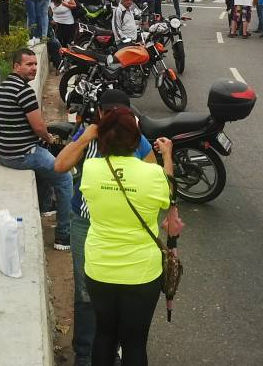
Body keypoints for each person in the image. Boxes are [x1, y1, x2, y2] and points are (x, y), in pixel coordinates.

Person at [53, 90, 155, 366]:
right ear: (99, 112)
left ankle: (115, 347)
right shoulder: (88, 136)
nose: (111, 116)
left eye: (118, 112)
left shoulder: (137, 140)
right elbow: (60, 165)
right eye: (107, 111)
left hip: (120, 225)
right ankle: (85, 353)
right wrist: (85, 137)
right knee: (86, 294)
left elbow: (153, 178)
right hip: (85, 222)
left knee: (119, 293)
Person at [79, 106, 174, 366]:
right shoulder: (153, 175)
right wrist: (167, 156)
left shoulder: (91, 169)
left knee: (104, 334)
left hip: (99, 268)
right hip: (141, 273)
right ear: (136, 139)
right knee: (134, 342)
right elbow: (167, 197)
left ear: (102, 138)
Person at [0, 48, 72, 251]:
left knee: (44, 158)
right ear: (16, 66)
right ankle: (64, 236)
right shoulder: (24, 91)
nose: (34, 68)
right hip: (20, 154)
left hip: (3, 152)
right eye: (29, 64)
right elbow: (38, 127)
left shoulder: (5, 86)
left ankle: (45, 207)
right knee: (64, 177)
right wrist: (50, 138)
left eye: (35, 64)